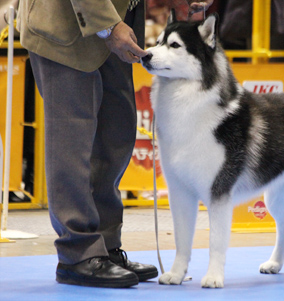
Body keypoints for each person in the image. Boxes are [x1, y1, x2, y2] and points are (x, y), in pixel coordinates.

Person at [16, 0, 212, 288]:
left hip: (117, 25)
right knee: (73, 142)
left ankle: (105, 247)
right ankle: (78, 253)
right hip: (66, 27)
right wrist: (108, 26)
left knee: (116, 135)